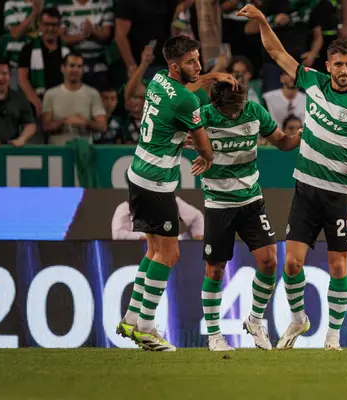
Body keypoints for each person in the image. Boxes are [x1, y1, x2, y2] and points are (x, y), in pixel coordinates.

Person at [237, 5, 347, 351]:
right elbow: (275, 52)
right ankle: (299, 318)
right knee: (292, 263)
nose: (344, 70)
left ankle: (332, 337)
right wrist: (263, 21)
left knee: (338, 265)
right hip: (306, 188)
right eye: (338, 64)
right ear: (328, 66)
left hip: (341, 196)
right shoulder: (312, 82)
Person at [115, 35, 235, 352]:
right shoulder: (187, 101)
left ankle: (130, 319)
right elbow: (203, 141)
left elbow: (180, 97)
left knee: (154, 252)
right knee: (169, 254)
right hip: (156, 183)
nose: (197, 65)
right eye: (191, 62)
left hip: (140, 174)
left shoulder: (157, 81)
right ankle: (146, 328)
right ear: (174, 65)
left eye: (198, 60)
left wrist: (209, 76)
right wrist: (207, 157)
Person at [197, 81, 301, 351]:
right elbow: (178, 136)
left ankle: (255, 320)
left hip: (251, 200)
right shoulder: (205, 116)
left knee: (269, 261)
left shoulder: (254, 111)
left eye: (240, 104)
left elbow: (283, 142)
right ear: (218, 104)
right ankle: (214, 336)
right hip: (218, 203)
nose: (238, 110)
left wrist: (303, 135)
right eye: (233, 107)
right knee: (215, 269)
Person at [112, 196, 205, 240]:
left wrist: (197, 238)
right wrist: (141, 237)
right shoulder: (125, 208)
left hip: (172, 249)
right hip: (139, 251)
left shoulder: (171, 201)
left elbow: (197, 217)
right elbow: (118, 234)